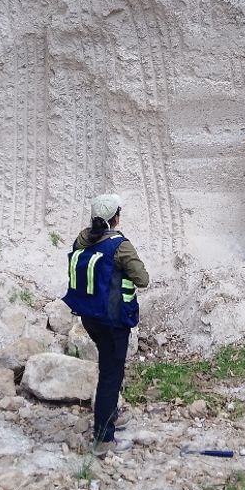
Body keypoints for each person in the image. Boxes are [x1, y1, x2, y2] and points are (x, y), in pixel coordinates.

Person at [62, 193, 149, 457]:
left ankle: (111, 413)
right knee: (111, 374)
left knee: (108, 366)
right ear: (116, 217)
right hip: (113, 320)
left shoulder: (81, 238)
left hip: (89, 316)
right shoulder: (120, 245)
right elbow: (142, 279)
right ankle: (103, 437)